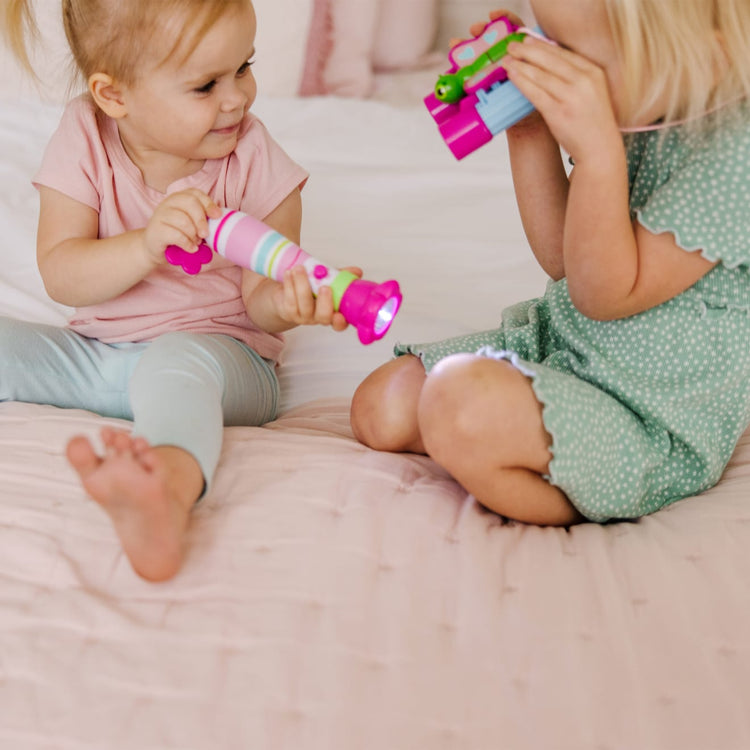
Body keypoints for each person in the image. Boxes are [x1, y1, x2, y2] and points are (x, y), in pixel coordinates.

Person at [351, 0, 750, 527]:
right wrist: (530, 127)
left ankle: (582, 491)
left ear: (705, 59)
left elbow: (605, 293)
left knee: (457, 401)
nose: (557, 68)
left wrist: (598, 155)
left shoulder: (733, 156)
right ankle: (504, 438)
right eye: (551, 41)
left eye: (578, 58)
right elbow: (564, 262)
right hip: (569, 344)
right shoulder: (646, 101)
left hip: (648, 412)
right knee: (383, 407)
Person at [1, 0, 354, 581]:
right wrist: (145, 246)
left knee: (175, 361)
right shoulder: (84, 136)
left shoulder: (254, 158)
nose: (237, 97)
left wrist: (288, 304)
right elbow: (62, 272)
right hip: (100, 358)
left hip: (222, 359)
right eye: (205, 85)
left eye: (244, 66)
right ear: (114, 96)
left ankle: (163, 491)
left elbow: (260, 305)